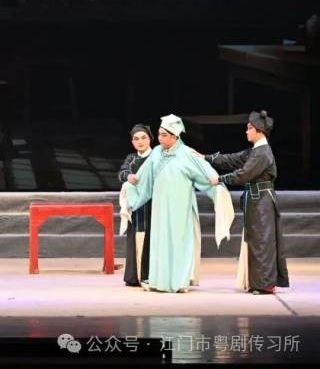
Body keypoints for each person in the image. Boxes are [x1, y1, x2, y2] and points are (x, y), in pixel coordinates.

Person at [120, 114, 234, 293]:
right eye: (159, 134)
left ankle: (179, 281)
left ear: (175, 136)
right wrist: (130, 186)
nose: (159, 138)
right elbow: (144, 177)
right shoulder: (156, 152)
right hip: (159, 208)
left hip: (180, 208)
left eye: (164, 135)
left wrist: (217, 186)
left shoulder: (186, 154)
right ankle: (160, 281)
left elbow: (205, 173)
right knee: (160, 242)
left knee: (179, 242)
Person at [204, 110, 289, 295]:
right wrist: (206, 157)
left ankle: (265, 284)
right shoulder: (255, 151)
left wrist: (220, 179)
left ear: (259, 130)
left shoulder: (263, 153)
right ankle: (258, 282)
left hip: (262, 202)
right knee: (256, 240)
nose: (246, 131)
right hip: (256, 200)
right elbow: (232, 159)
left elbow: (243, 174)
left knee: (262, 241)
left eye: (249, 128)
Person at [118, 124, 154, 286]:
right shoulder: (131, 158)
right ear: (132, 142)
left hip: (154, 204)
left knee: (153, 238)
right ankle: (135, 276)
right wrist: (128, 177)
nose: (140, 142)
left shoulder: (156, 156)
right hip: (137, 206)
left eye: (143, 138)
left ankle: (151, 274)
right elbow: (121, 173)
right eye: (136, 139)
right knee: (136, 239)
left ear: (150, 139)